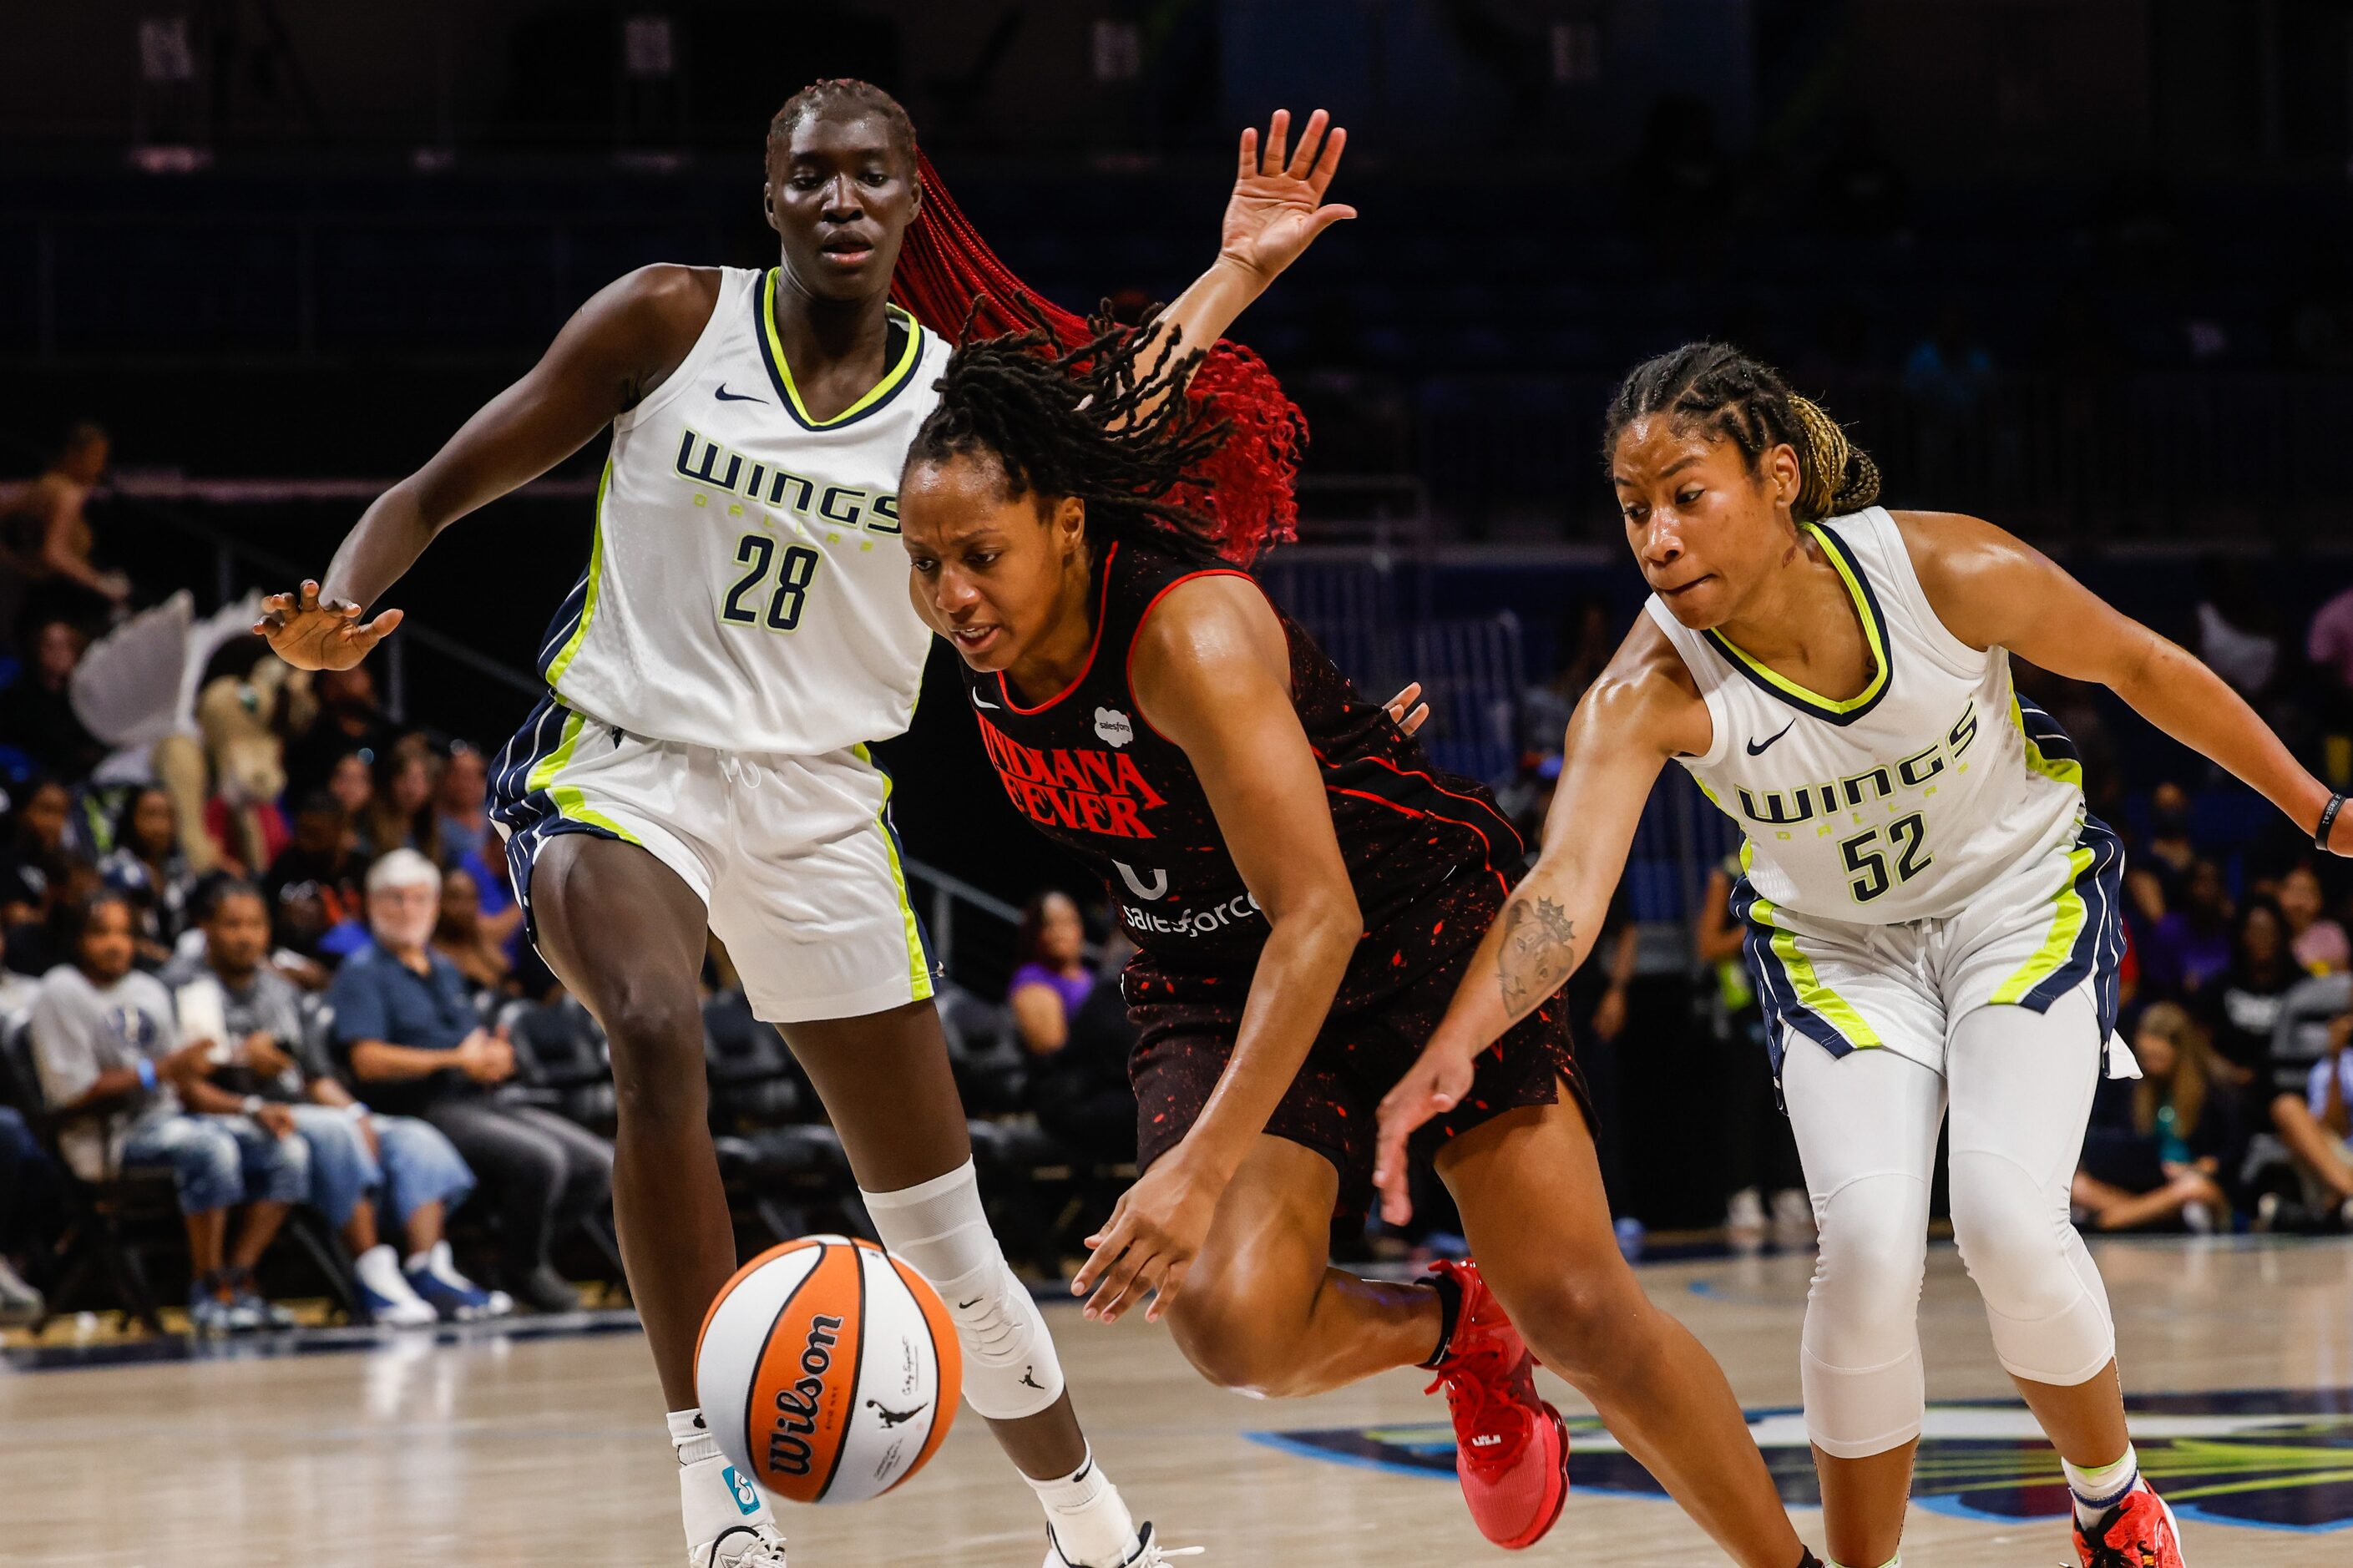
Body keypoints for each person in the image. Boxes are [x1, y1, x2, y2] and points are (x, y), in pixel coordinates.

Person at [255, 78, 1324, 1568]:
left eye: (870, 177)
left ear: (909, 201)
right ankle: (715, 1495)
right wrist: (338, 599)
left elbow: (1114, 408)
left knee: (942, 1236)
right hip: (619, 764)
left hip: (820, 796)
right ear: (771, 196)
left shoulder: (958, 401)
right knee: (651, 1024)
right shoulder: (665, 322)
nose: (839, 201)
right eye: (810, 176)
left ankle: (1092, 1532)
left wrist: (1239, 269)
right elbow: (439, 484)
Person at [896, 214, 1821, 1566]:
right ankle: (1454, 1326)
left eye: (978, 555)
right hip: (1206, 968)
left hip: (1398, 919)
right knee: (1230, 1324)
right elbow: (1115, 400)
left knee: (1574, 1297)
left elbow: (1320, 913)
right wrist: (1233, 277)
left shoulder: (1189, 632)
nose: (952, 592)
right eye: (925, 563)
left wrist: (1191, 1170)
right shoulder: (983, 625)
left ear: (1064, 518)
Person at [1378, 341, 2353, 1568]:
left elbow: (2139, 665)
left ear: (1779, 476)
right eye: (1634, 511)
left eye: (1687, 494)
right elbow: (1564, 890)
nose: (1657, 538)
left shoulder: (1940, 569)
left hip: (2016, 896)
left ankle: (2109, 1503)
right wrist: (1455, 1043)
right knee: (1867, 1256)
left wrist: (2320, 811)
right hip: (1837, 950)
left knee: (2003, 1216)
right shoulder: (1643, 690)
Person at [169, 879, 509, 1325]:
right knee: (336, 1130)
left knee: (411, 1136)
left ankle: (428, 1268)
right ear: (205, 928)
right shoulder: (189, 987)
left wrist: (354, 1110)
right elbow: (189, 1077)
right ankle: (371, 1271)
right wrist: (240, 1056)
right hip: (237, 1112)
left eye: (255, 924)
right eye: (232, 924)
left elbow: (314, 1075)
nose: (245, 935)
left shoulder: (280, 988)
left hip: (297, 1108)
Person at [327, 851, 609, 1314]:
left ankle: (510, 1260)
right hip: (416, 1106)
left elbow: (471, 1042)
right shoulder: (363, 972)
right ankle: (524, 1270)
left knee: (597, 1164)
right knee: (543, 1160)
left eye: (418, 899)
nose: (407, 910)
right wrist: (455, 1058)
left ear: (434, 904)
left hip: (476, 1097)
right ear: (372, 905)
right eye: (394, 899)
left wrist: (495, 1056)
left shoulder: (440, 967)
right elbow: (368, 1061)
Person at [28, 889, 303, 1333]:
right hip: (105, 1137)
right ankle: (206, 1288)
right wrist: (160, 1071)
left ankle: (237, 1282)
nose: (115, 944)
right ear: (77, 939)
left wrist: (251, 1108)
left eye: (124, 933)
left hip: (168, 1121)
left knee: (284, 1150)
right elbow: (74, 1094)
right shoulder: (60, 992)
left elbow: (185, 1081)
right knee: (210, 1148)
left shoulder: (148, 989)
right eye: (101, 933)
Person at [1696, 851, 1812, 1248]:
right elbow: (1707, 944)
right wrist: (1756, 925)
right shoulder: (1725, 874)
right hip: (1744, 1009)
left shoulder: (1790, 865)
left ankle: (1789, 1193)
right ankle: (1743, 1196)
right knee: (1743, 1107)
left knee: (1793, 1100)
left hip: (1790, 1002)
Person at [2071, 1003, 2237, 1232]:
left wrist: (2200, 1167)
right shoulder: (2129, 1086)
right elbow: (2106, 1141)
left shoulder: (2212, 1088)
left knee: (2193, 1188)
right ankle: (2152, 1218)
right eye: (2146, 1057)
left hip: (2187, 1185)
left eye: (2158, 1057)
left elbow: (2233, 1149)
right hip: (2144, 1188)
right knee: (2077, 1187)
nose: (2151, 1066)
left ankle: (2117, 1219)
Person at [0, 422, 127, 632]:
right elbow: (53, 553)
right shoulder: (68, 493)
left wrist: (15, 562)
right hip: (54, 595)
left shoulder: (43, 485)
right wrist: (101, 584)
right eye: (96, 456)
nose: (100, 466)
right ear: (75, 455)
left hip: (30, 590)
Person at [2198, 895, 2301, 1093]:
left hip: (2285, 1087)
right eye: (2254, 931)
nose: (2262, 939)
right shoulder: (2220, 985)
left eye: (2269, 931)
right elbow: (2200, 1039)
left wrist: (2259, 1074)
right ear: (2242, 935)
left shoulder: (2301, 986)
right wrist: (2226, 1070)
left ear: (2281, 935)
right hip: (2225, 1087)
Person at [98, 785, 198, 969]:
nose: (160, 827)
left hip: (178, 961)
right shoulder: (116, 870)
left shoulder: (180, 870)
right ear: (130, 820)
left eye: (167, 816)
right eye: (150, 815)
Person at [0, 619, 106, 777]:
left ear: (77, 652)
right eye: (50, 646)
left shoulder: (89, 698)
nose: (57, 654)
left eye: (65, 646)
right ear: (38, 650)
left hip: (79, 776)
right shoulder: (19, 691)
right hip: (28, 774)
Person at [1009, 891, 1093, 1058]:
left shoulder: (1093, 979)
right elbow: (1051, 1054)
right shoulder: (1030, 980)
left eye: (1067, 922)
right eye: (1049, 924)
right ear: (1036, 933)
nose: (1059, 933)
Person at [433, 865, 513, 993]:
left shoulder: (483, 945)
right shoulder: (431, 956)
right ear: (438, 901)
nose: (465, 908)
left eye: (472, 898)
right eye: (455, 898)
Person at [2276, 861, 2349, 973]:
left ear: (2319, 900)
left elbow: (2342, 978)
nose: (2298, 901)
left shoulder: (2330, 933)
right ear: (2279, 894)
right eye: (2293, 890)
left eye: (2305, 892)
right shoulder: (2271, 933)